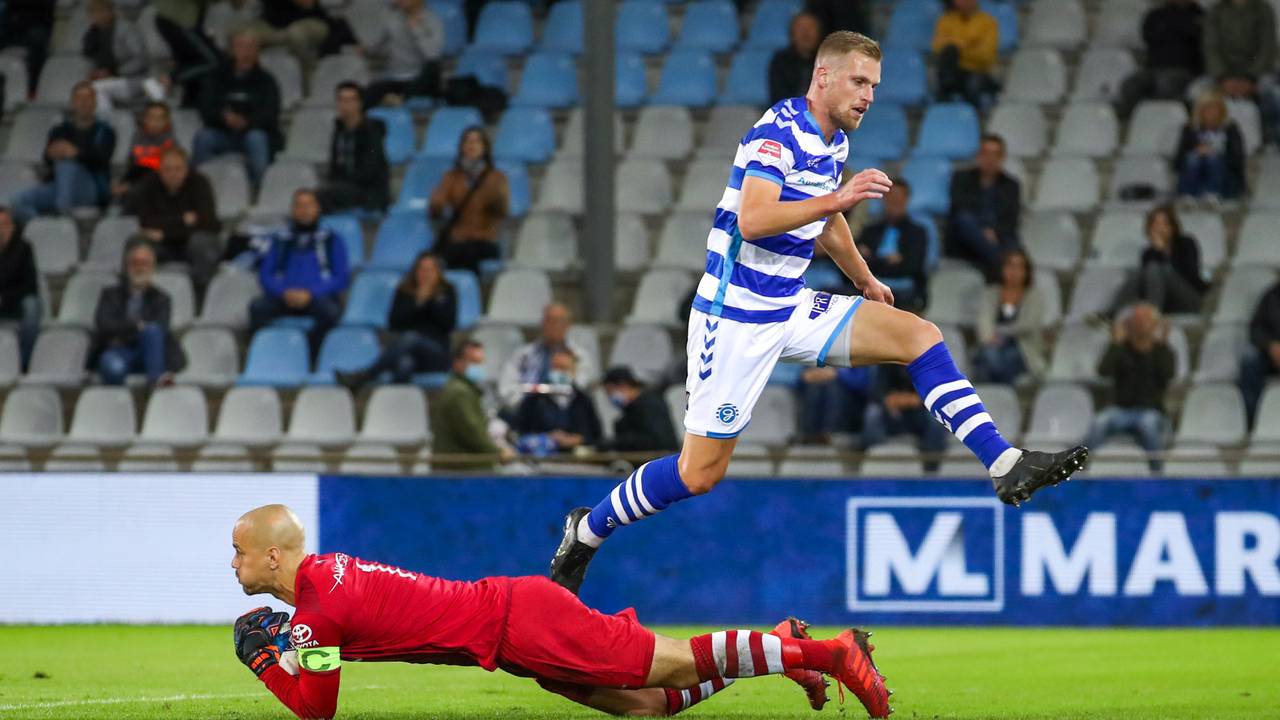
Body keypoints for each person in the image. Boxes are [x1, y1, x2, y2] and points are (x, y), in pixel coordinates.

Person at [549, 31, 1087, 596]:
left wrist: (863, 278)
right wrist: (839, 197)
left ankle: (1003, 464)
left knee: (919, 336)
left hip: (791, 302)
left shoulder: (832, 142)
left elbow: (826, 222)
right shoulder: (776, 137)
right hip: (733, 317)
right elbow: (755, 220)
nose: (869, 96)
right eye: (859, 82)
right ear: (823, 77)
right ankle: (586, 531)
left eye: (874, 86)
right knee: (698, 473)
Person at [228, 504, 878, 719]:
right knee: (646, 706)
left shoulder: (317, 611)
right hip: (516, 635)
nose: (234, 564)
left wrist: (265, 662)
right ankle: (778, 645)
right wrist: (291, 644)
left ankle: (829, 652)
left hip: (523, 624)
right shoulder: (324, 582)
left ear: (274, 556)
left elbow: (317, 708)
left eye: (240, 553)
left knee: (675, 667)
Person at [249, 189, 350, 357]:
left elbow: (341, 278)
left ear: (318, 208)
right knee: (257, 308)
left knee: (331, 312)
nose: (304, 210)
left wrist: (310, 294)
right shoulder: (280, 240)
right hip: (285, 297)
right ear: (293, 210)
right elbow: (265, 275)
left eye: (308, 205)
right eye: (299, 206)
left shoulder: (331, 239)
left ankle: (311, 356)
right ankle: (266, 354)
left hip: (317, 298)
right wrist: (284, 292)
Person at [336, 252, 455, 389]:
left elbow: (448, 324)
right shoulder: (404, 292)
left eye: (429, 270)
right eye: (421, 269)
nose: (425, 274)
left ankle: (364, 376)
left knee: (411, 338)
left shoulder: (447, 292)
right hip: (407, 351)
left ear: (437, 272)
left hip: (435, 353)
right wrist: (416, 303)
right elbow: (394, 323)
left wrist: (429, 302)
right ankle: (398, 407)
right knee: (404, 365)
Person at [1084, 303, 1176, 471]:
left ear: (1154, 324)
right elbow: (1103, 371)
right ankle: (1081, 471)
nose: (1140, 325)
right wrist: (1116, 344)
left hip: (1151, 411)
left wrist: (1162, 344)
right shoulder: (1121, 349)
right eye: (1136, 320)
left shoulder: (1162, 351)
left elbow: (1168, 374)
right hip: (1121, 410)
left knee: (1148, 424)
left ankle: (1158, 473)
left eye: (1144, 320)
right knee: (1099, 422)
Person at [9, 82, 116, 225]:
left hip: (92, 188)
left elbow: (101, 159)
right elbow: (47, 159)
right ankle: (44, 227)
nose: (83, 103)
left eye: (88, 98)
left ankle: (61, 219)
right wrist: (51, 154)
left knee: (67, 165)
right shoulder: (59, 130)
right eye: (79, 98)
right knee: (18, 202)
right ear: (72, 102)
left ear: (95, 102)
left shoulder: (105, 131)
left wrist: (75, 153)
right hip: (59, 186)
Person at [192, 29, 282, 187]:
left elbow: (270, 113)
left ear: (257, 51)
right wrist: (224, 118)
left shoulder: (266, 80)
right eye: (241, 46)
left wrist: (246, 122)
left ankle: (259, 189)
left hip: (253, 132)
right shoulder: (216, 77)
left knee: (257, 139)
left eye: (250, 47)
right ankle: (200, 185)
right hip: (223, 132)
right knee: (203, 138)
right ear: (232, 49)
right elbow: (206, 108)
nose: (245, 51)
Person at [92, 240, 186, 386]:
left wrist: (127, 332)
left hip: (148, 354)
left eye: (145, 263)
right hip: (117, 352)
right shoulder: (109, 295)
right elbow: (103, 325)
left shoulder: (162, 298)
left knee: (153, 331)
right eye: (135, 262)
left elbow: (161, 329)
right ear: (127, 266)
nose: (140, 267)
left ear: (152, 267)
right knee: (113, 367)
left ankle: (156, 381)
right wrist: (137, 327)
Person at [129, 147, 223, 292]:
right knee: (137, 243)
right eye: (167, 169)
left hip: (190, 242)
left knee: (202, 243)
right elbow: (146, 223)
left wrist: (165, 232)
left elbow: (208, 222)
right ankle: (136, 293)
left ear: (186, 169)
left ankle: (201, 295)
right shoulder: (149, 184)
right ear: (160, 170)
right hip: (165, 246)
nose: (173, 174)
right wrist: (182, 220)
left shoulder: (200, 182)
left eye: (178, 169)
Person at [428, 127, 510, 274]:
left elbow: (502, 211)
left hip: (484, 240)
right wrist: (436, 203)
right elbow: (437, 208)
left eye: (477, 141)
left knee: (468, 254)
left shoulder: (497, 177)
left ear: (485, 147)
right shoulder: (451, 176)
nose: (471, 145)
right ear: (461, 147)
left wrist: (496, 196)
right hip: (457, 240)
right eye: (467, 141)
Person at [945, 134, 1021, 280]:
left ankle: (998, 262)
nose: (990, 159)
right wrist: (983, 229)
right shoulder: (961, 178)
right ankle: (1000, 263)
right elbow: (959, 207)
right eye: (986, 153)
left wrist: (994, 232)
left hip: (998, 237)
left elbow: (1011, 219)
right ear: (978, 155)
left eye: (995, 154)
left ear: (1002, 158)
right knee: (964, 220)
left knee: (1016, 248)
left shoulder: (1011, 185)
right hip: (966, 239)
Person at [1110, 204, 1207, 316]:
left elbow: (1190, 275)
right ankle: (1115, 314)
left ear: (1172, 227)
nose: (1159, 228)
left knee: (1155, 268)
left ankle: (1151, 316)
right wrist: (1157, 252)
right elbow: (1148, 284)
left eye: (1163, 224)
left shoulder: (1186, 243)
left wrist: (1163, 254)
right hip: (1166, 304)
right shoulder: (1148, 253)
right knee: (1138, 274)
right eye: (1155, 224)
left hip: (1189, 299)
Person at [498, 303, 599, 411]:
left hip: (564, 417)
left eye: (557, 321)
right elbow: (506, 388)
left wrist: (568, 373)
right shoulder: (523, 354)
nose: (552, 326)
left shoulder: (579, 356)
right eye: (548, 320)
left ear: (567, 325)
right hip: (524, 413)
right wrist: (526, 407)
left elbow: (580, 389)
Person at [431, 340, 512, 471]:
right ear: (457, 364)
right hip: (458, 470)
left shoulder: (466, 390)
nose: (479, 367)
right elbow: (472, 432)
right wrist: (498, 453)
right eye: (474, 362)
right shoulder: (459, 393)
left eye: (480, 363)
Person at [972, 248, 1049, 385]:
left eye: (1019, 267)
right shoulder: (990, 293)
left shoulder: (1034, 296)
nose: (1014, 272)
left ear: (1026, 272)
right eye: (1010, 266)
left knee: (992, 361)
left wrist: (1001, 332)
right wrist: (989, 338)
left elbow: (1028, 325)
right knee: (990, 356)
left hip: (1023, 348)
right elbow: (984, 321)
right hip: (993, 345)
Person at [1117, 0, 1204, 119]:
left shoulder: (1200, 16)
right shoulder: (1155, 14)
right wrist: (1178, 33)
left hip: (1184, 69)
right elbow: (1149, 37)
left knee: (1165, 84)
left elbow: (1200, 42)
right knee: (1130, 85)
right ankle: (1134, 123)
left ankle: (1160, 119)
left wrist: (1170, 30)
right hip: (1153, 68)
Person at [512, 349, 603, 457]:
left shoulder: (583, 400)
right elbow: (520, 432)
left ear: (573, 371)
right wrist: (545, 438)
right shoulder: (534, 400)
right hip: (541, 459)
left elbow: (597, 435)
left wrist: (577, 439)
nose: (559, 372)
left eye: (564, 368)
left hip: (576, 460)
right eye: (555, 367)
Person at [855, 179, 929, 312]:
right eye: (891, 197)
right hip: (870, 287)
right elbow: (856, 264)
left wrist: (872, 259)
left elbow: (912, 268)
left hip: (903, 291)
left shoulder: (918, 232)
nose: (895, 201)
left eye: (899, 197)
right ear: (884, 199)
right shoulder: (870, 231)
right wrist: (886, 261)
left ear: (907, 199)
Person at [316, 82, 390, 213]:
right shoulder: (339, 130)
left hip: (369, 191)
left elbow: (370, 170)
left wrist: (339, 183)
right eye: (341, 100)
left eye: (350, 100)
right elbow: (335, 166)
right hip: (345, 188)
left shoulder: (372, 131)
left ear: (359, 103)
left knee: (318, 198)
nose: (345, 105)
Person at [861, 365, 948, 472]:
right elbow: (877, 392)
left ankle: (932, 467)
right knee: (872, 414)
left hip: (919, 411)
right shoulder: (885, 361)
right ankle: (877, 461)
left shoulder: (927, 360)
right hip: (889, 411)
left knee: (936, 419)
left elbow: (936, 391)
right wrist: (891, 400)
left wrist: (912, 400)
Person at [83, 0, 166, 112]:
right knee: (89, 89)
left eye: (102, 12)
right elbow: (91, 61)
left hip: (138, 79)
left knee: (96, 89)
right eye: (94, 13)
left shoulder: (126, 29)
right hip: (113, 81)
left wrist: (114, 72)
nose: (98, 16)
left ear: (111, 12)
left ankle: (108, 123)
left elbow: (142, 58)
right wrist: (95, 74)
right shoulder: (92, 35)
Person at [361, 0, 446, 108]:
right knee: (368, 93)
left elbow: (433, 54)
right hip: (396, 77)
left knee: (433, 68)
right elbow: (376, 46)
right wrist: (366, 49)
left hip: (421, 79)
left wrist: (416, 29)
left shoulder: (433, 20)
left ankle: (401, 99)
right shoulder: (392, 18)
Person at [1174, 92, 1246, 201]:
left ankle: (1212, 195)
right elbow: (1177, 162)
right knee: (1193, 158)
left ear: (1221, 110)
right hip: (1196, 174)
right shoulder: (1189, 129)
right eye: (1207, 109)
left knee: (1213, 159)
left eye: (1214, 109)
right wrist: (1197, 152)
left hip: (1226, 178)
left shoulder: (1231, 128)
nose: (1211, 113)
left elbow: (1237, 160)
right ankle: (1188, 196)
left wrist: (1215, 152)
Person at [930, 0, 999, 110]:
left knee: (973, 85)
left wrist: (959, 48)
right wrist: (966, 44)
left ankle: (974, 118)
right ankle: (943, 114)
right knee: (948, 55)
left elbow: (986, 56)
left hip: (976, 70)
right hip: (953, 70)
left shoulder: (988, 22)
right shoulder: (946, 20)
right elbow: (937, 46)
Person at [598, 366, 681, 454]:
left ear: (623, 386)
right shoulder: (631, 409)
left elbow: (655, 440)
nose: (609, 397)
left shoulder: (650, 404)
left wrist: (615, 443)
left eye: (610, 391)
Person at [113, 102, 179, 206]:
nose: (154, 123)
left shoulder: (171, 143)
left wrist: (131, 185)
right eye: (151, 118)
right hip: (136, 181)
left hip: (160, 186)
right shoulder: (137, 137)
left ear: (167, 121)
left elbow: (162, 170)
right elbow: (131, 164)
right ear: (144, 119)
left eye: (159, 119)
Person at [0, 208, 40, 369]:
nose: (1, 229)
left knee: (32, 305)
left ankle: (25, 361)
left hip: (17, 301)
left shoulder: (24, 248)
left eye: (5, 224)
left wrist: (4, 298)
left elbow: (30, 286)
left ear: (13, 226)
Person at [1239, 277, 1280, 426]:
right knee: (1249, 360)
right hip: (1271, 355)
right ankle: (1252, 421)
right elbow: (1255, 329)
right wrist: (1270, 346)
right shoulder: (1271, 296)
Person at [797, 365, 872, 445]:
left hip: (854, 404)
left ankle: (830, 434)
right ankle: (810, 436)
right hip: (820, 396)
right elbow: (800, 379)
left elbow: (863, 382)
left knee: (834, 388)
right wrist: (808, 376)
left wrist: (837, 374)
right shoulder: (817, 354)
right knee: (813, 389)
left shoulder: (856, 354)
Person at [247, 0, 331, 69]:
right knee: (244, 36)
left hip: (307, 20)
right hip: (273, 24)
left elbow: (308, 4)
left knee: (296, 33)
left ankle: (309, 67)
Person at [0, 0, 54, 99]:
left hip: (38, 24)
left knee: (37, 41)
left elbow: (46, 6)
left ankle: (33, 88)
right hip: (13, 25)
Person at [768, 13, 823, 106]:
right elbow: (778, 97)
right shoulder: (781, 61)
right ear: (792, 34)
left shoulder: (828, 60)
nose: (806, 33)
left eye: (811, 28)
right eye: (801, 28)